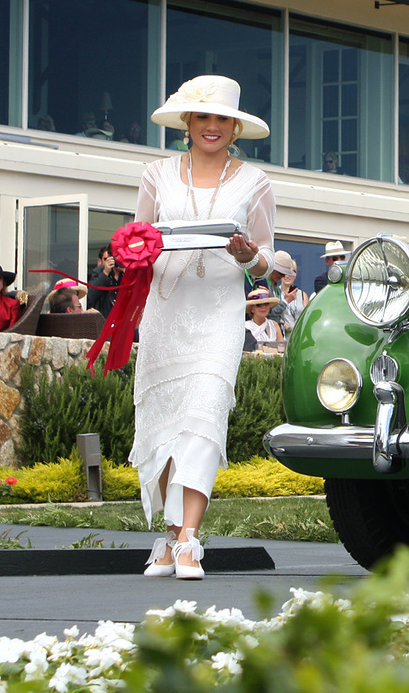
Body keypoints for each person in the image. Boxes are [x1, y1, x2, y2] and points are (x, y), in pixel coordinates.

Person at [134, 75, 275, 582]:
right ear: (187, 124)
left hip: (218, 314)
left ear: (234, 127)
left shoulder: (255, 182)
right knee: (167, 425)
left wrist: (249, 256)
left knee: (204, 416)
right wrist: (133, 253)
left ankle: (190, 538)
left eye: (221, 118)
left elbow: (269, 264)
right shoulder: (155, 175)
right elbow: (137, 243)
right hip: (165, 312)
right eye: (203, 117)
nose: (211, 126)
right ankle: (170, 538)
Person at [267, 251, 308, 332]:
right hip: (268, 332)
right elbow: (269, 312)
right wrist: (286, 301)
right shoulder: (264, 285)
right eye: (281, 272)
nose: (284, 276)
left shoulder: (276, 289)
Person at [87, 244, 122, 315]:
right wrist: (105, 273)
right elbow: (89, 298)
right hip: (105, 318)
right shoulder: (99, 272)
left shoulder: (129, 273)